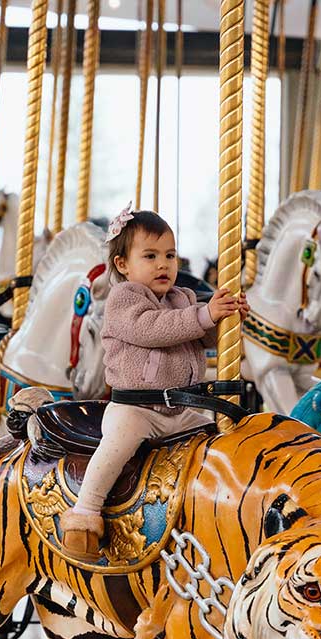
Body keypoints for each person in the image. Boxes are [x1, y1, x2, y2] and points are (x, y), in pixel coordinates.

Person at [58, 206, 248, 560]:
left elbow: (197, 337)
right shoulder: (124, 299)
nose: (164, 264)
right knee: (116, 447)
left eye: (170, 255)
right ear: (123, 265)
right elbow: (153, 329)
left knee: (221, 443)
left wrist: (225, 320)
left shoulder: (182, 298)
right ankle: (85, 513)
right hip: (136, 408)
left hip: (183, 408)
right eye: (151, 256)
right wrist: (204, 314)